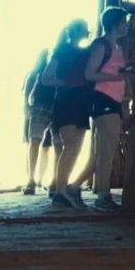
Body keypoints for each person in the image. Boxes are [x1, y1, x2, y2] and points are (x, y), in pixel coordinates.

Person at [41, 19, 92, 209]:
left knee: (76, 149)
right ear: (75, 32)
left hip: (81, 103)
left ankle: (63, 190)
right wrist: (67, 83)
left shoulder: (87, 53)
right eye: (83, 29)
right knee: (69, 147)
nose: (86, 32)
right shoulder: (62, 51)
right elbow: (46, 78)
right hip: (66, 101)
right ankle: (61, 189)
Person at [86, 6, 132, 212]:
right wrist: (119, 76)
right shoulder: (101, 45)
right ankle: (102, 195)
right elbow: (90, 74)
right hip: (102, 98)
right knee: (106, 149)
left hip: (113, 100)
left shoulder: (117, 47)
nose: (127, 25)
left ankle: (74, 188)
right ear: (114, 24)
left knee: (108, 149)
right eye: (124, 21)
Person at [22, 48, 55, 195]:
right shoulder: (37, 72)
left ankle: (35, 180)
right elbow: (27, 91)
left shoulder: (38, 71)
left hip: (41, 106)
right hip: (42, 106)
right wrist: (27, 107)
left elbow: (27, 92)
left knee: (39, 143)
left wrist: (27, 107)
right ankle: (34, 179)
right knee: (39, 144)